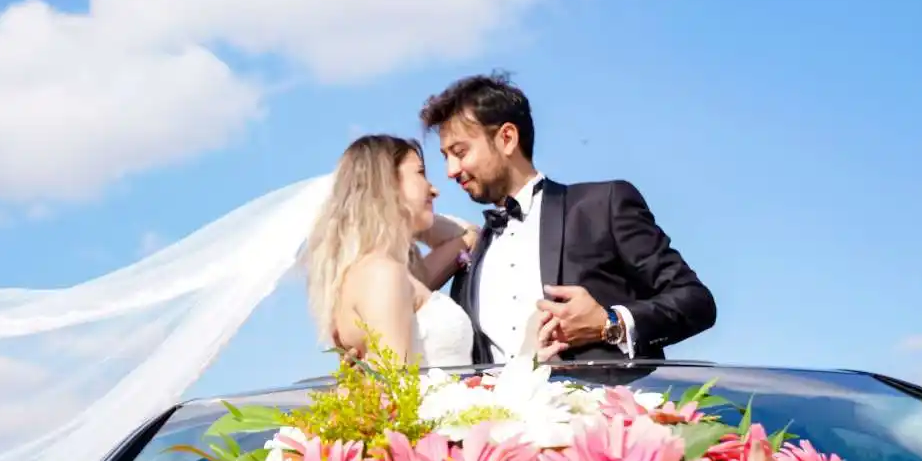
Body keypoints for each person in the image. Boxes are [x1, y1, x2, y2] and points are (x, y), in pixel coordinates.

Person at [418, 71, 716, 364]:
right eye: (446, 157)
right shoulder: (474, 248)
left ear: (507, 138)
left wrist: (609, 322)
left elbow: (696, 302)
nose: (451, 171)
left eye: (460, 152)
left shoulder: (602, 206)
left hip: (596, 408)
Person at [303, 134, 484, 368]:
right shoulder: (381, 274)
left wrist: (401, 219)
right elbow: (395, 395)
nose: (434, 190)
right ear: (387, 183)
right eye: (420, 173)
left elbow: (469, 236)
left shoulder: (389, 273)